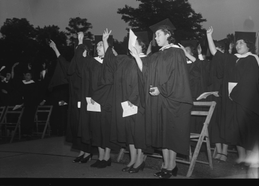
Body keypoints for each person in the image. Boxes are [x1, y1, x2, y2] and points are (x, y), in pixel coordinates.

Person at [130, 19, 193, 179]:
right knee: (163, 133)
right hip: (160, 99)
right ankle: (167, 165)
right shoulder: (157, 55)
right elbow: (146, 70)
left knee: (170, 133)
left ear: (168, 34)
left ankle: (171, 166)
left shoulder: (176, 52)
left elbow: (178, 77)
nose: (156, 38)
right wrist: (137, 57)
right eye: (155, 35)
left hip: (172, 99)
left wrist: (161, 89)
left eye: (158, 34)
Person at [206, 27, 259, 175]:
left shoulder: (253, 59)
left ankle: (250, 160)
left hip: (248, 102)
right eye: (237, 43)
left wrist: (234, 92)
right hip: (233, 100)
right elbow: (216, 54)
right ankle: (241, 159)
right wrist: (209, 36)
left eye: (241, 43)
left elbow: (252, 80)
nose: (238, 45)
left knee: (248, 132)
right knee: (238, 131)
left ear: (248, 46)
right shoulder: (232, 59)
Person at [103, 30, 153, 173]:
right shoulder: (126, 61)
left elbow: (144, 82)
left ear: (141, 46)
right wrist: (106, 41)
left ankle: (139, 160)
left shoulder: (148, 60)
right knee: (129, 133)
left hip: (139, 103)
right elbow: (110, 60)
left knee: (138, 133)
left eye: (134, 43)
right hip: (127, 103)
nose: (131, 46)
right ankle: (132, 159)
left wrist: (134, 99)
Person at [49, 33, 92, 164]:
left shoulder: (88, 65)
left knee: (85, 127)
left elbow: (79, 61)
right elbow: (64, 63)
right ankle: (81, 151)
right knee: (76, 127)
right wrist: (55, 49)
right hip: (74, 101)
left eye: (80, 52)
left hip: (85, 101)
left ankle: (88, 152)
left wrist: (80, 41)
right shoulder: (73, 68)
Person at [81, 30, 119, 169]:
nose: (98, 49)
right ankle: (100, 156)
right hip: (94, 99)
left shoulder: (111, 62)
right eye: (97, 47)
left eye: (101, 46)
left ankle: (107, 157)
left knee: (106, 129)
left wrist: (105, 40)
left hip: (107, 99)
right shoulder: (92, 63)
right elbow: (87, 81)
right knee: (96, 129)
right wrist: (89, 96)